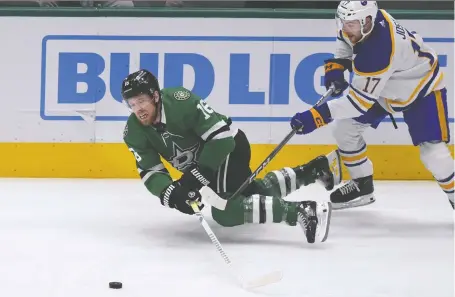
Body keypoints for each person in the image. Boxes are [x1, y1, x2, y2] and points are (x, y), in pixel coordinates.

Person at [121, 69, 342, 244]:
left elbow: (222, 137)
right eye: (132, 104)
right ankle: (311, 170)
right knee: (251, 194)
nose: (138, 109)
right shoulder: (134, 131)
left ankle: (302, 211)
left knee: (225, 211)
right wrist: (171, 194)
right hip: (206, 166)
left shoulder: (180, 101)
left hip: (229, 149)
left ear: (155, 96)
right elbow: (150, 172)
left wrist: (195, 177)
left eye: (141, 101)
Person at [290, 1, 454, 209]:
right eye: (343, 22)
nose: (345, 28)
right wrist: (339, 64)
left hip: (421, 89)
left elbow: (358, 103)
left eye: (350, 24)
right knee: (344, 129)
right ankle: (362, 184)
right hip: (386, 88)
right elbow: (345, 39)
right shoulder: (365, 25)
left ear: (366, 21)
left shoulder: (379, 50)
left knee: (435, 155)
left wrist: (316, 115)